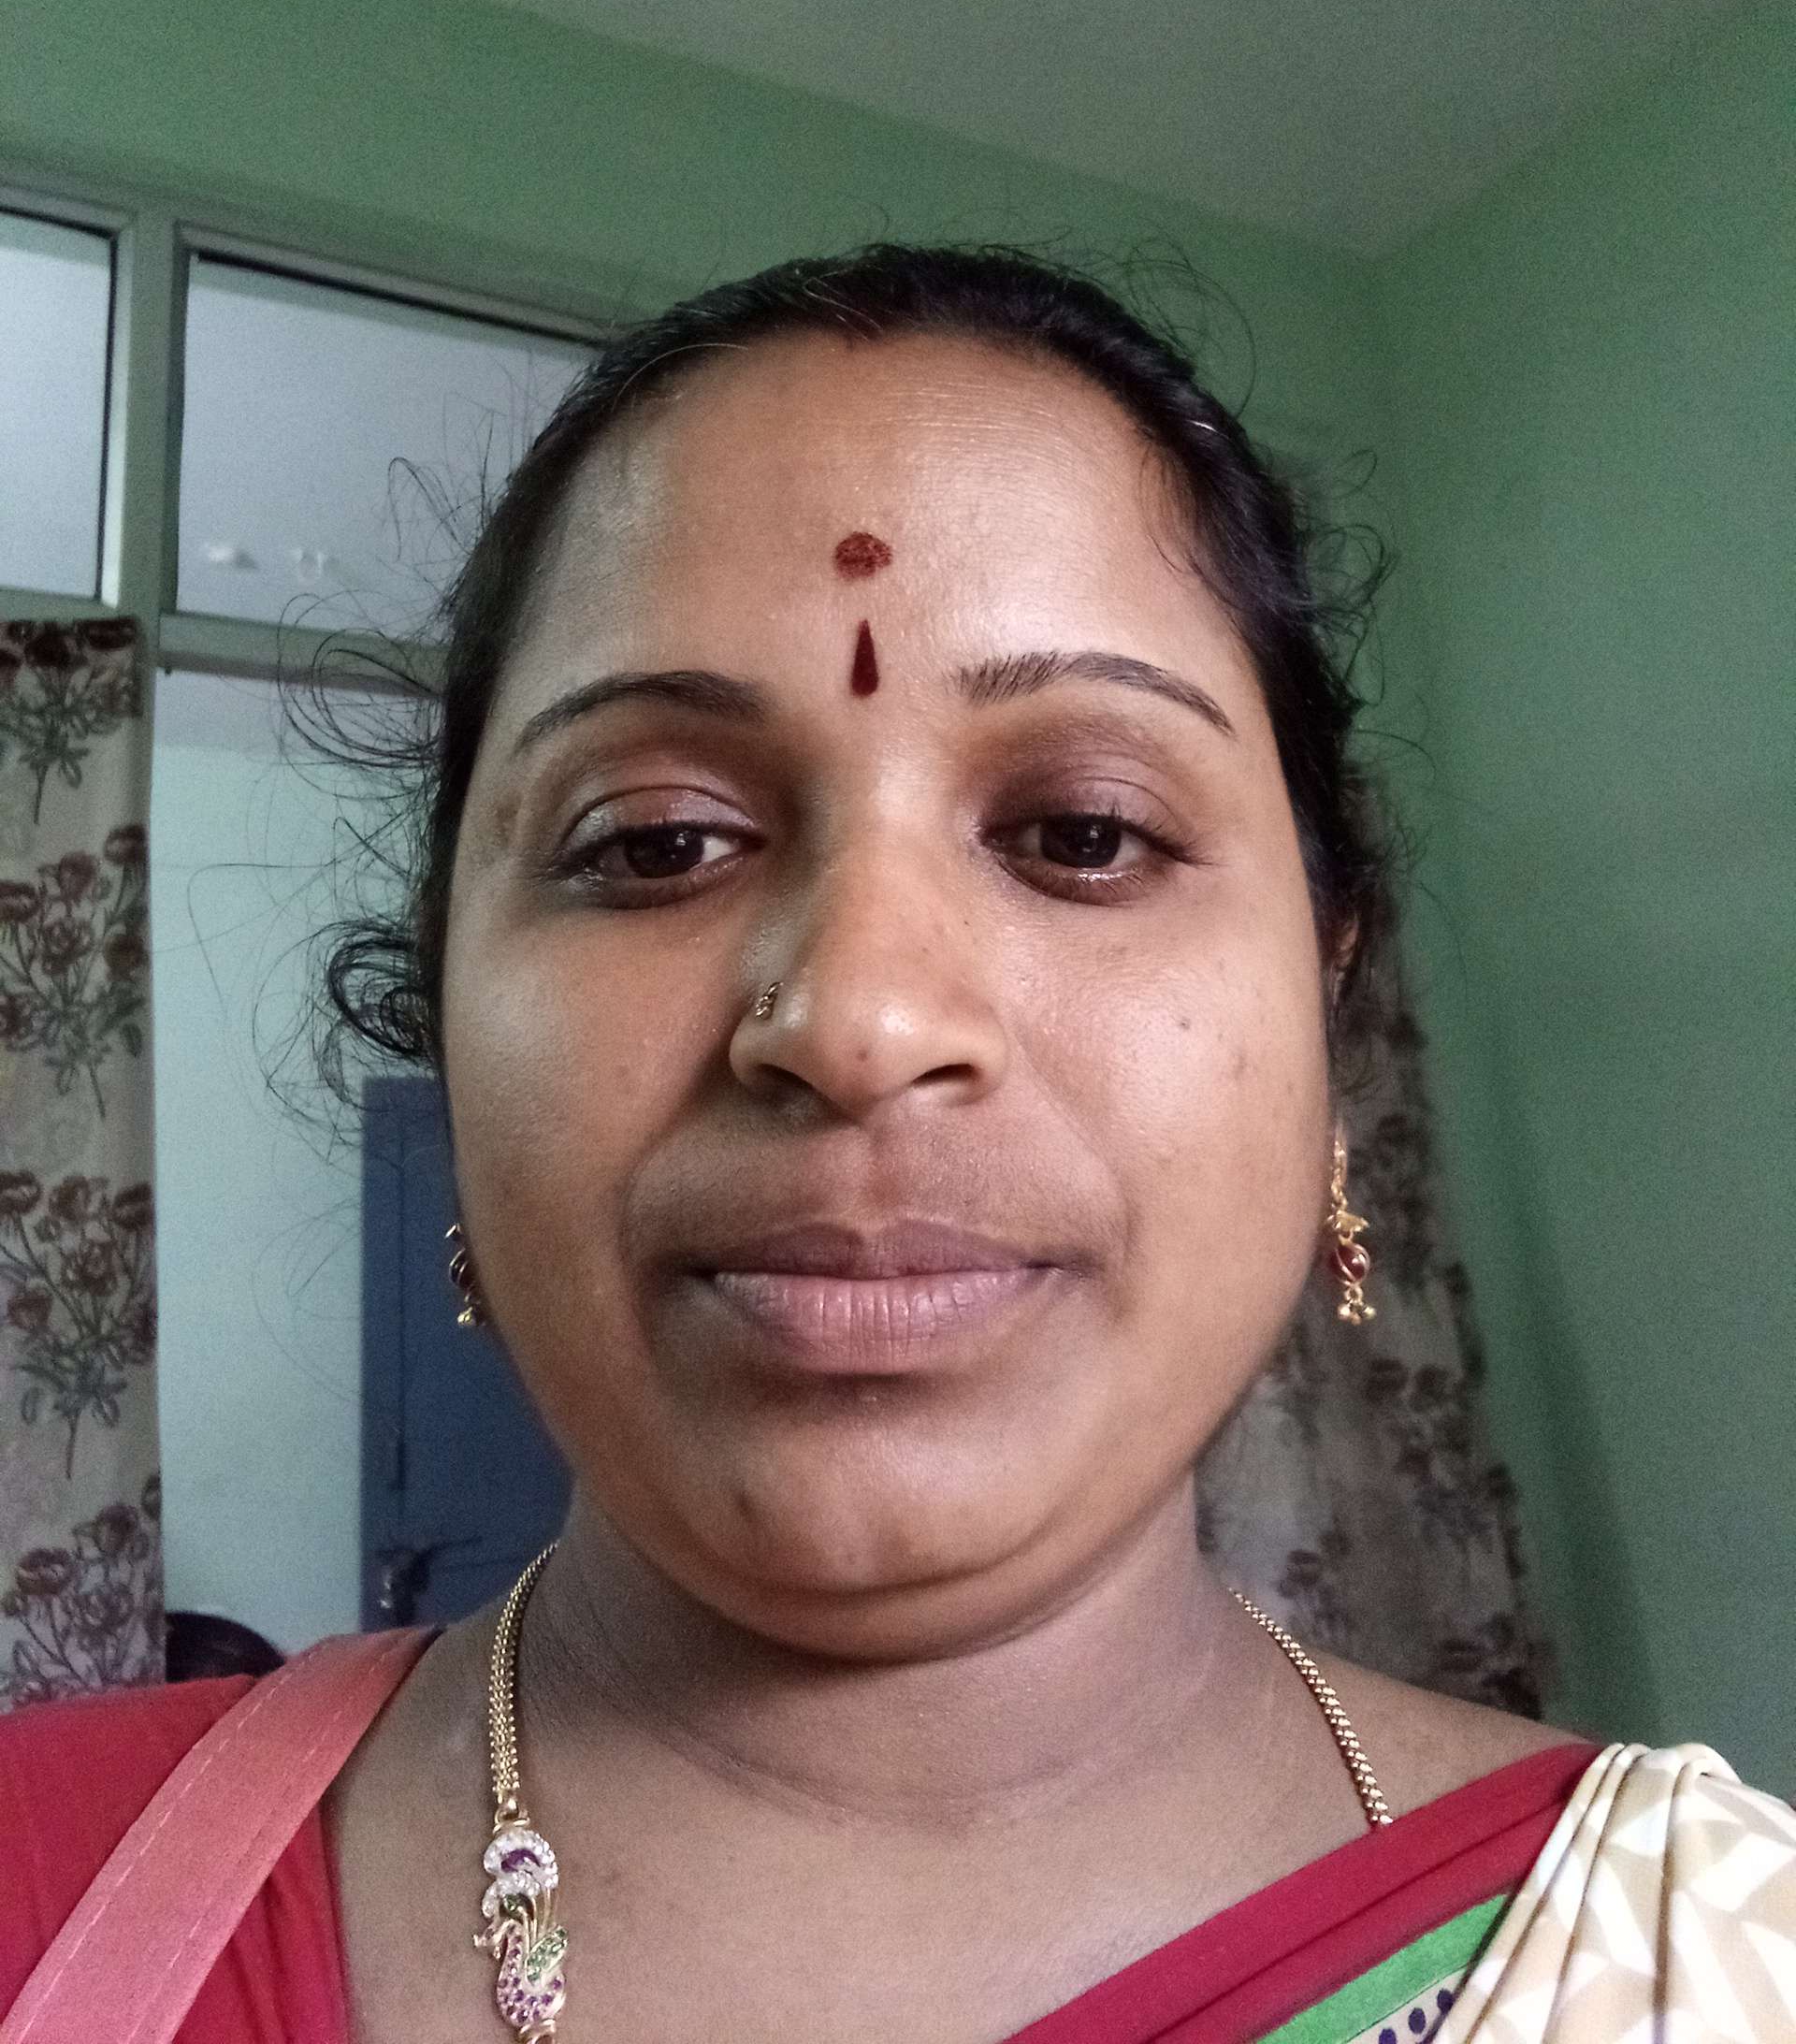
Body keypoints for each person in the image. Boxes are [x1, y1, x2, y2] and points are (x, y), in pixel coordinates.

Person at [2, 244, 1790, 2042]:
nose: (857, 1020)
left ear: (1326, 1002)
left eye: (1085, 833)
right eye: (655, 842)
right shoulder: (42, 1885)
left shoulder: (1703, 1958)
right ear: (448, 1004)